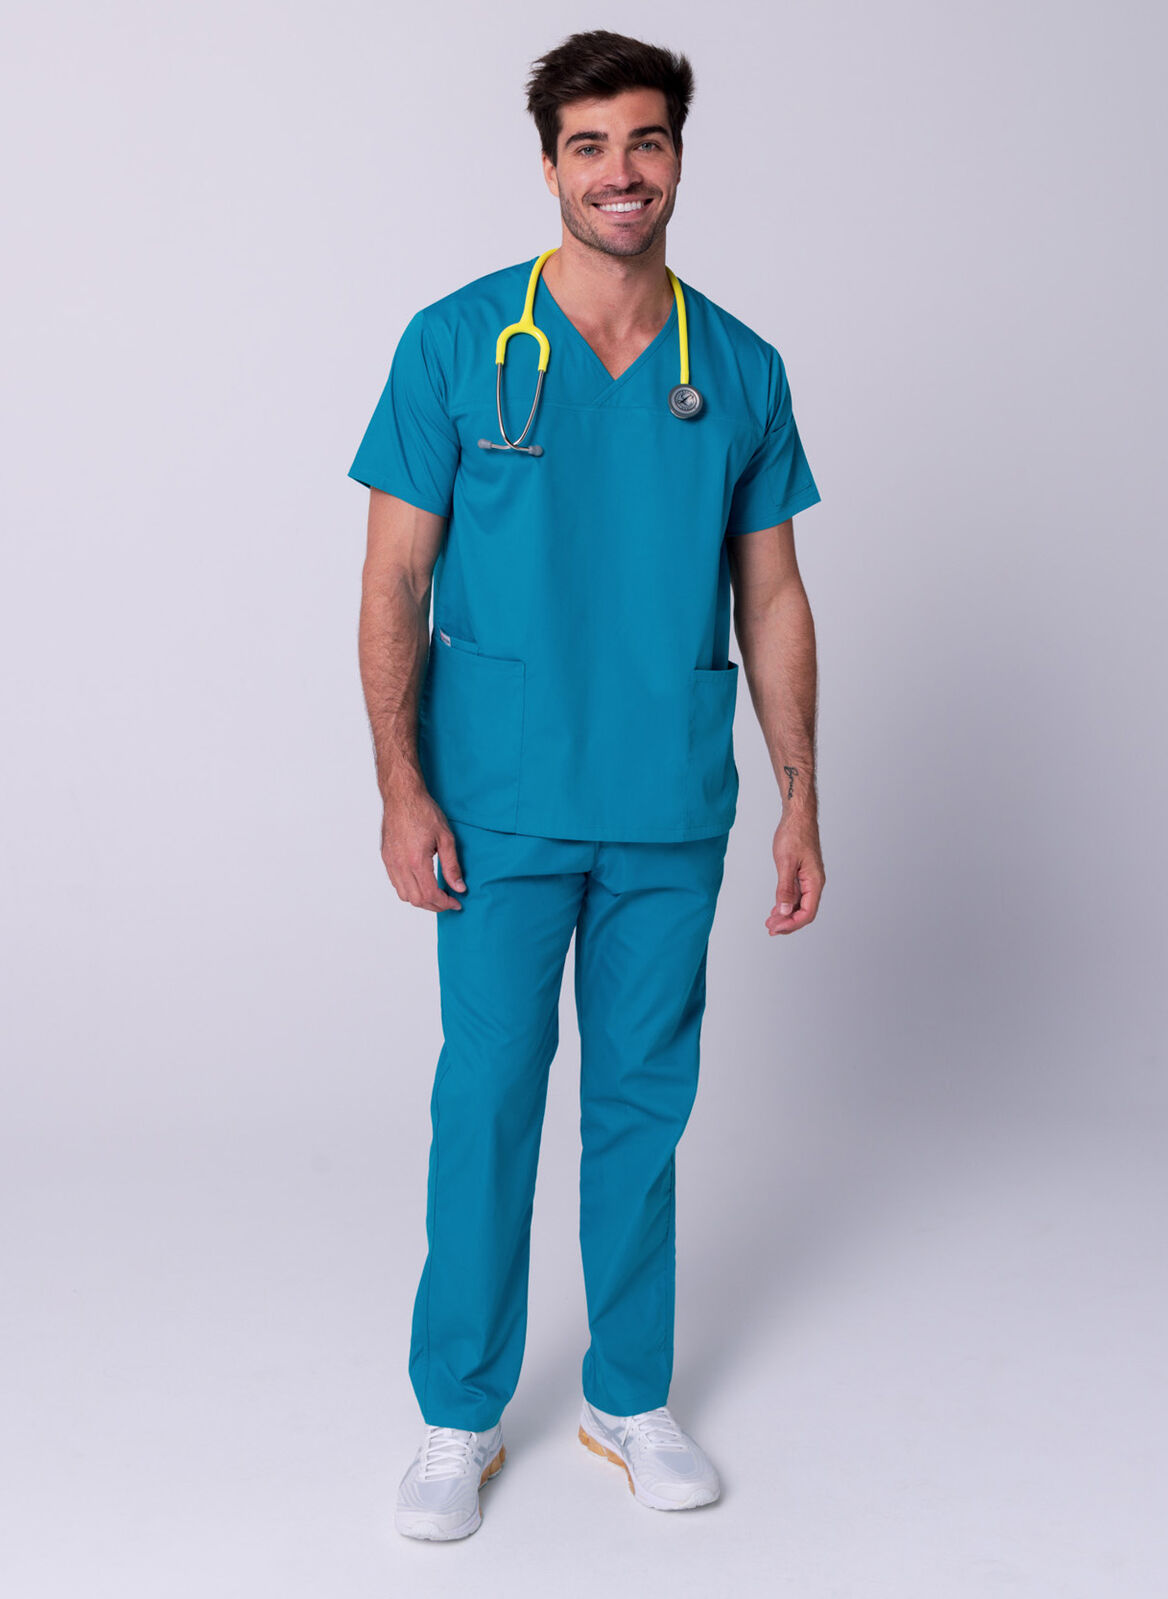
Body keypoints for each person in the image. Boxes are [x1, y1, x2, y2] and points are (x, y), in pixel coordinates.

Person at [348, 28, 826, 1542]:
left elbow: (773, 597)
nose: (622, 172)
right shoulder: (456, 344)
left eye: (646, 140)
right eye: (590, 146)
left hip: (667, 801)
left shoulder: (735, 369)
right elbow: (392, 580)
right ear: (549, 164)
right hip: (496, 800)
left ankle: (628, 1395)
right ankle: (458, 1412)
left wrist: (801, 793)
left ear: (678, 153)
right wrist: (400, 787)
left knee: (640, 1105)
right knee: (488, 1097)